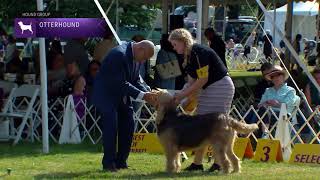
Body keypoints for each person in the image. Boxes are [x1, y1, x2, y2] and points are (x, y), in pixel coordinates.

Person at [169, 28, 235, 172]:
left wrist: (181, 96)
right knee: (202, 126)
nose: (174, 48)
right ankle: (197, 164)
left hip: (220, 88)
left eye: (175, 44)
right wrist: (183, 98)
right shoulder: (188, 56)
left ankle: (218, 164)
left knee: (216, 126)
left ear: (182, 41)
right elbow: (192, 82)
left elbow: (202, 79)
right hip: (208, 89)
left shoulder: (198, 52)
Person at [92, 40, 158, 172]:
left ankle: (121, 162)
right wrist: (143, 96)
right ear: (140, 49)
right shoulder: (118, 55)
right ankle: (109, 164)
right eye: (145, 58)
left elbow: (135, 79)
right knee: (111, 127)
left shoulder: (135, 56)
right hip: (107, 95)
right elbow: (120, 83)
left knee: (128, 125)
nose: (143, 61)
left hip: (121, 95)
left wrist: (147, 91)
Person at [258, 65, 299, 138]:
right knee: (261, 111)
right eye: (273, 76)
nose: (276, 78)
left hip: (284, 115)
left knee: (261, 114)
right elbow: (260, 105)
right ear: (271, 79)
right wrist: (266, 102)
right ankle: (265, 133)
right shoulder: (268, 90)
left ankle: (264, 134)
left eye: (278, 75)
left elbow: (287, 106)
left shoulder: (290, 90)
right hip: (266, 113)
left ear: (283, 77)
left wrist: (277, 104)